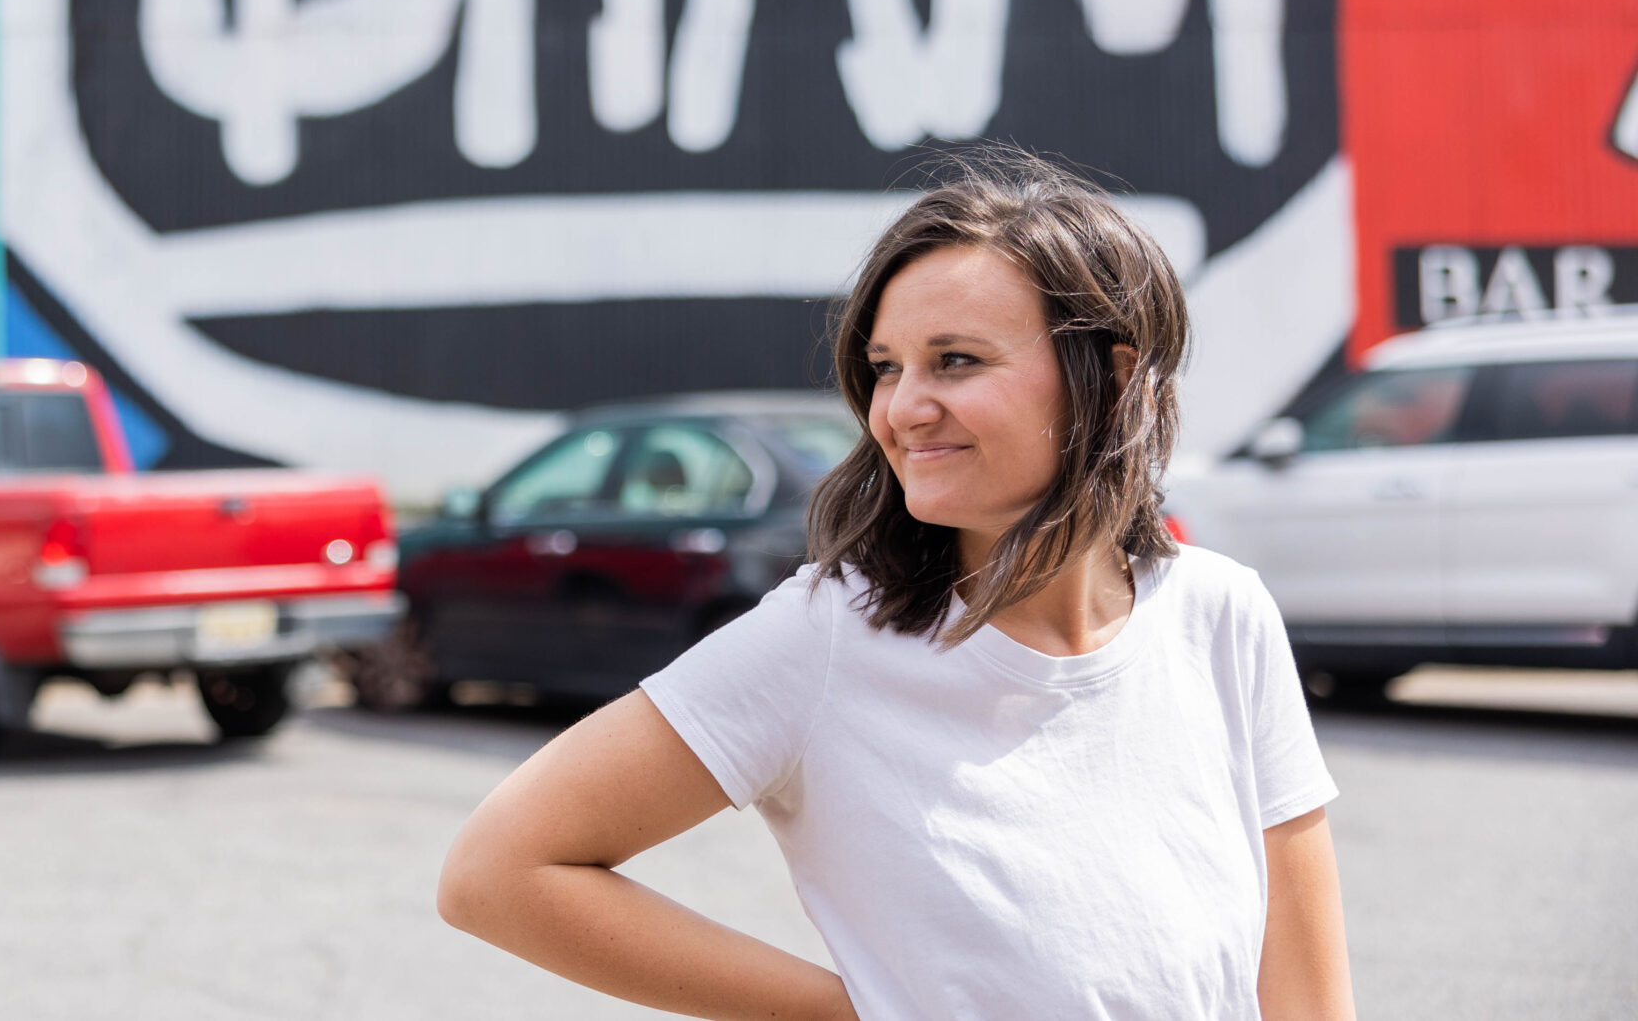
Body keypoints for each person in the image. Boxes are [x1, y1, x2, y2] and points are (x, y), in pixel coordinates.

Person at [436, 150, 1356, 1020]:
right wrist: (849, 1009)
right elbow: (499, 870)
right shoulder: (827, 635)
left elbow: (1306, 987)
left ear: (1111, 382)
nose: (904, 407)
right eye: (886, 367)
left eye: (957, 359)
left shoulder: (1221, 614)